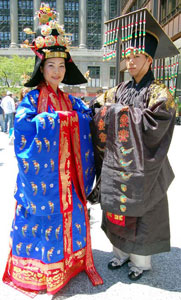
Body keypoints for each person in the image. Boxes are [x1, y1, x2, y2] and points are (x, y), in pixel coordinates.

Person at [2, 3, 103, 297]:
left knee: (72, 215)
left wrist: (89, 114)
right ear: (41, 68)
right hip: (45, 181)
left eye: (61, 66)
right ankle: (44, 269)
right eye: (51, 66)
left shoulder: (69, 99)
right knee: (44, 219)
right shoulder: (32, 99)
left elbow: (85, 116)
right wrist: (57, 120)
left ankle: (71, 263)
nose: (57, 72)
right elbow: (22, 129)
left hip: (69, 177)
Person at [89, 8, 179, 281]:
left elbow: (159, 122)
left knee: (145, 213)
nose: (130, 61)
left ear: (150, 60)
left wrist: (117, 113)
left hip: (146, 168)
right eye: (128, 57)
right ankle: (120, 254)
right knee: (116, 208)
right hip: (118, 166)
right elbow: (96, 107)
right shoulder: (118, 89)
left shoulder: (159, 91)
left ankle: (141, 262)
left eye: (136, 57)